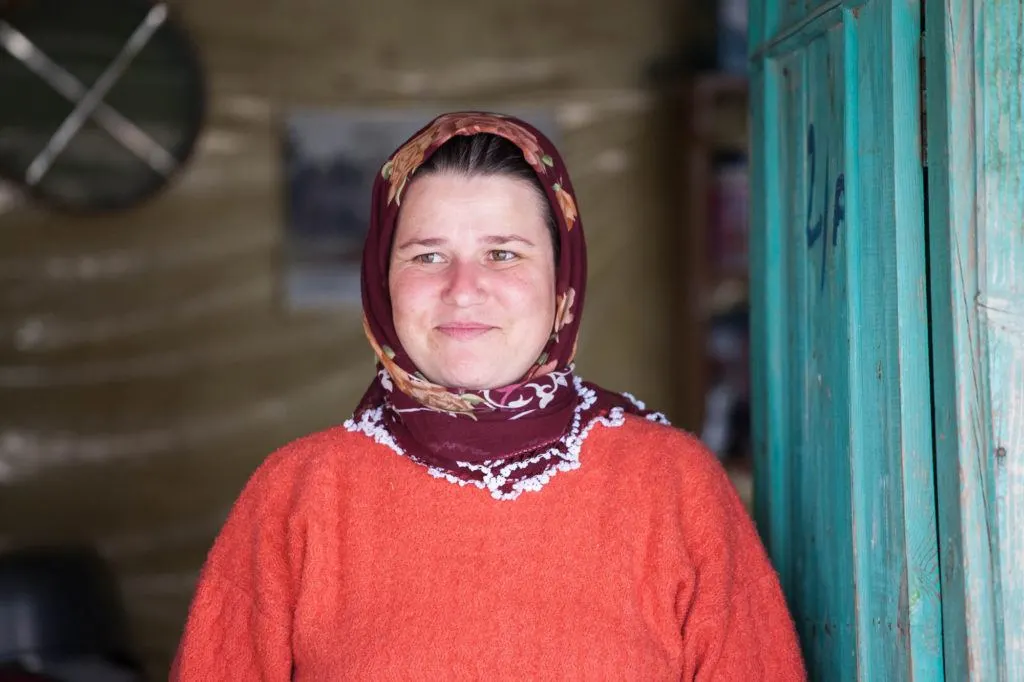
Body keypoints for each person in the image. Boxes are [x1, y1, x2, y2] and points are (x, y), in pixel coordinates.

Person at [170, 111, 806, 680]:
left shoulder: (674, 486)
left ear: (562, 280)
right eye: (427, 256)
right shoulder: (297, 495)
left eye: (502, 253)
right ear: (381, 281)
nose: (464, 288)